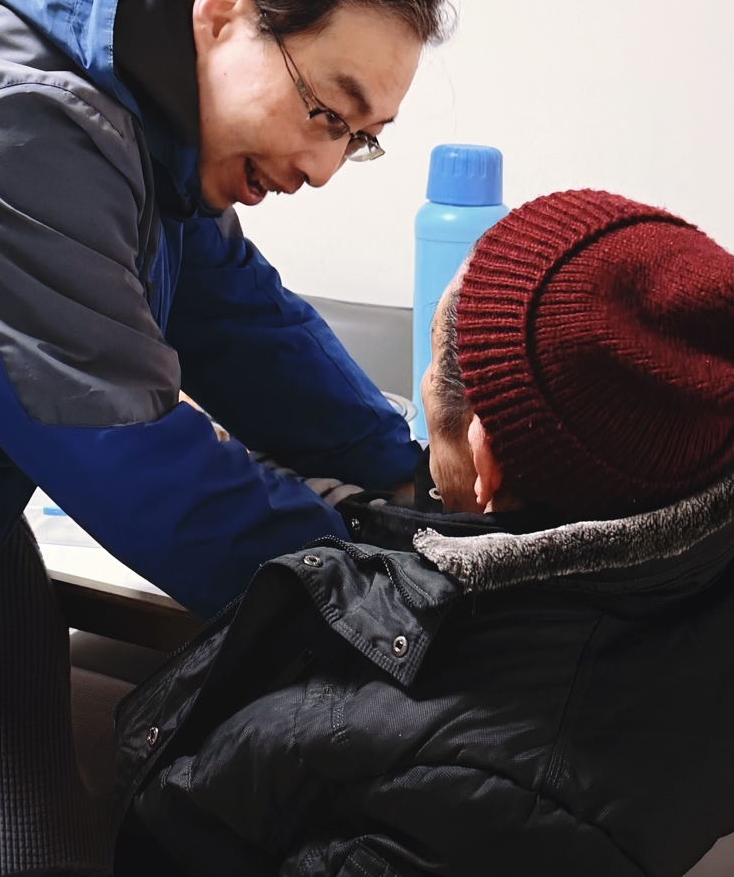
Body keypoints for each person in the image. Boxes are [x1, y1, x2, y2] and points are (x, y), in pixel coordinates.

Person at [0, 0, 446, 758]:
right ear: (222, 13)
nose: (322, 168)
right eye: (325, 112)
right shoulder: (6, 119)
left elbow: (243, 325)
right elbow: (130, 453)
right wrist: (389, 597)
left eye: (359, 139)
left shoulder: (138, 122)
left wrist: (411, 483)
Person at [116, 189, 734, 877]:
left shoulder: (494, 803)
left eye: (434, 362)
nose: (423, 380)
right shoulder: (694, 566)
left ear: (486, 459)